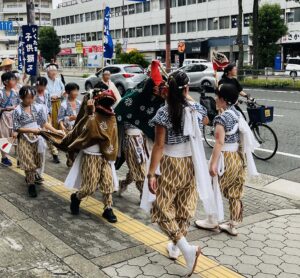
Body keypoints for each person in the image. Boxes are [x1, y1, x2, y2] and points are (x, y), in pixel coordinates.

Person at [147, 71, 209, 276]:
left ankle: (185, 249)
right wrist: (187, 96)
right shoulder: (197, 109)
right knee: (183, 208)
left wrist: (151, 173)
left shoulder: (164, 113)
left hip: (172, 164)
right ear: (186, 89)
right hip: (191, 163)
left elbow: (158, 146)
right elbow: (206, 120)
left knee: (162, 208)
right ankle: (175, 247)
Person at [208, 84, 258, 236]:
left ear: (223, 100)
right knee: (235, 192)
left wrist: (213, 163)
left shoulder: (221, 118)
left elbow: (219, 142)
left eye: (218, 97)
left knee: (214, 188)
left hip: (225, 159)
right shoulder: (237, 114)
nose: (216, 99)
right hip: (237, 157)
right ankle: (233, 224)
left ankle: (212, 220)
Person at [13, 86, 63, 197]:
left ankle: (32, 177)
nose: (30, 100)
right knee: (28, 161)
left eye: (32, 97)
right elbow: (16, 128)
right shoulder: (17, 110)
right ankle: (31, 184)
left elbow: (43, 123)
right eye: (27, 98)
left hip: (38, 137)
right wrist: (31, 129)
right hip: (24, 138)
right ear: (21, 97)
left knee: (36, 161)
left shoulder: (36, 108)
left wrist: (56, 131)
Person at [118, 121, 147, 200]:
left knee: (137, 167)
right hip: (131, 138)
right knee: (138, 168)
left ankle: (124, 183)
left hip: (140, 138)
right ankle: (144, 194)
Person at [45, 63, 65, 163]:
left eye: (55, 72)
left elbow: (63, 89)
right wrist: (50, 96)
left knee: (59, 124)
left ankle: (59, 143)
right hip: (49, 104)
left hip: (58, 103)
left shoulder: (58, 80)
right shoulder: (45, 81)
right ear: (48, 72)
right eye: (52, 72)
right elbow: (43, 92)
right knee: (50, 126)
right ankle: (54, 151)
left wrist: (59, 95)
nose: (54, 73)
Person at [0, 72, 18, 166]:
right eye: (12, 79)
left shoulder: (14, 92)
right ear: (6, 82)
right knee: (4, 137)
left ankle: (17, 156)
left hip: (13, 116)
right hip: (3, 118)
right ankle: (4, 157)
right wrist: (6, 108)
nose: (15, 81)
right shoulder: (1, 93)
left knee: (14, 136)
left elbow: (19, 103)